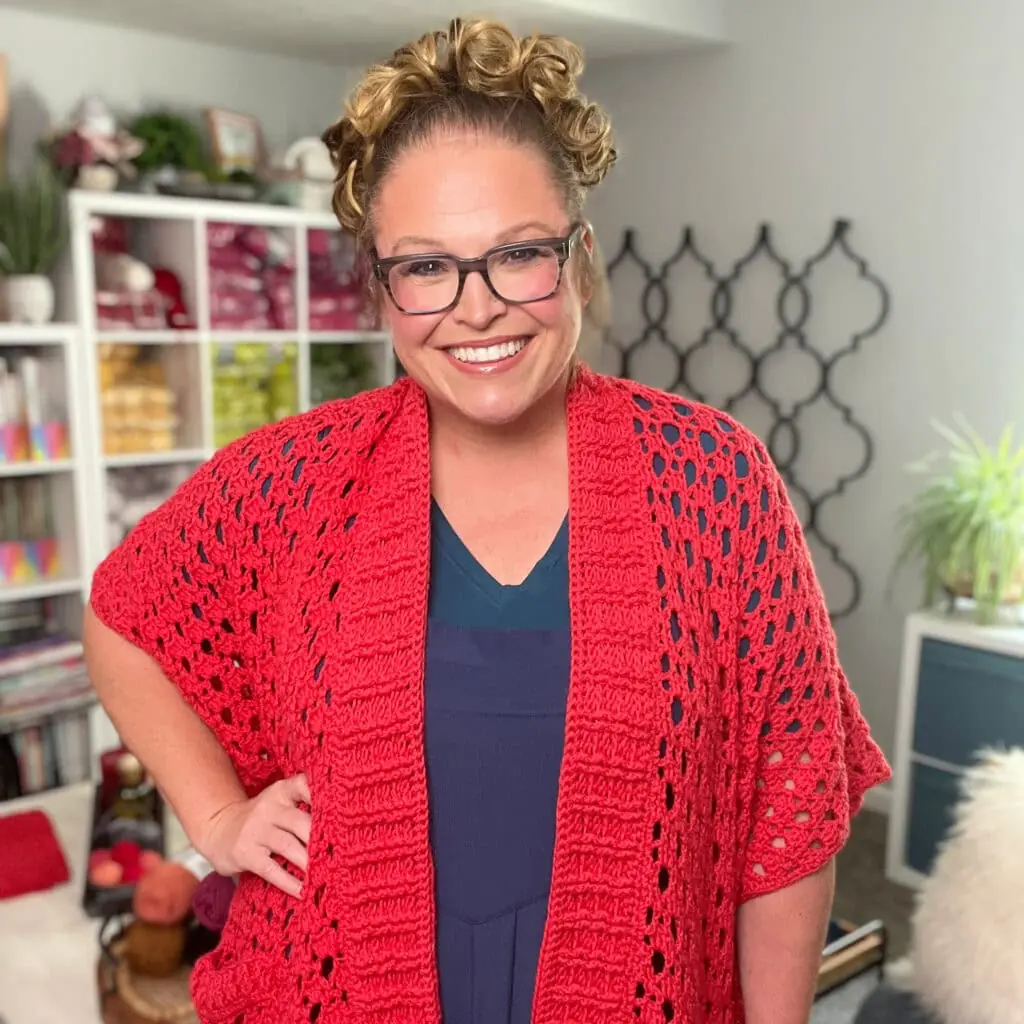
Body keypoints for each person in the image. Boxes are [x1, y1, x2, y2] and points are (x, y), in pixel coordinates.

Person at [83, 17, 890, 1024]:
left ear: (579, 257)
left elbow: (788, 813)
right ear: (380, 288)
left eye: (517, 255)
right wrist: (215, 816)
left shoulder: (715, 484)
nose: (475, 308)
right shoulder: (291, 482)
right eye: (424, 267)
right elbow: (121, 615)